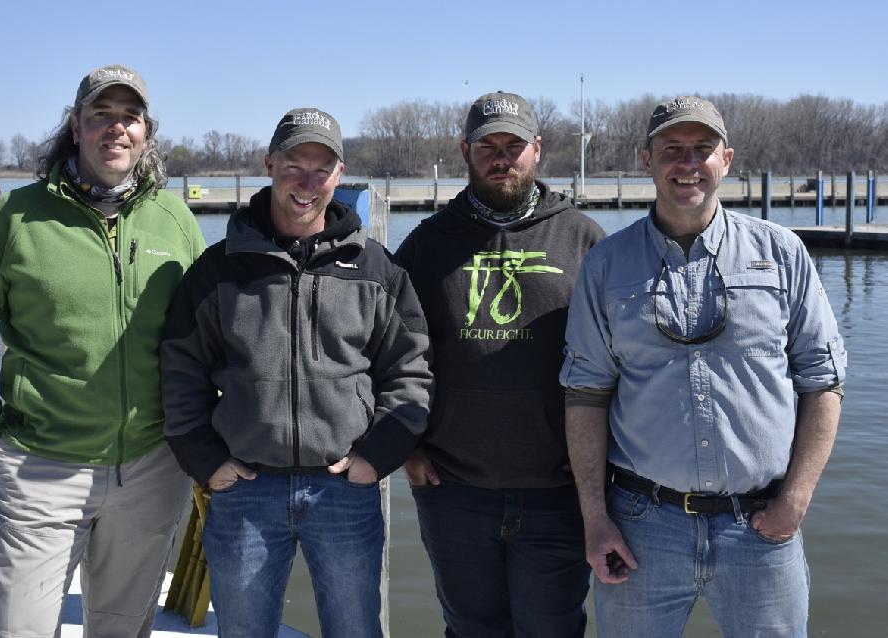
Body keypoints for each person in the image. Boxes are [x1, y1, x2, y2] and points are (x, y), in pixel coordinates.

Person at [562, 96, 847, 637]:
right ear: (646, 160)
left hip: (762, 528)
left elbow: (824, 381)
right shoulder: (605, 264)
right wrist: (595, 519)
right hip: (642, 526)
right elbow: (585, 392)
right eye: (671, 149)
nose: (686, 163)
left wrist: (796, 499)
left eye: (702, 149)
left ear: (727, 159)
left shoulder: (782, 252)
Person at [0, 64, 206, 637]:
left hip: (152, 469)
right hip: (40, 467)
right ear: (76, 128)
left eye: (129, 117)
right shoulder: (17, 219)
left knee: (123, 629)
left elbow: (207, 339)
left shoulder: (176, 219)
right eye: (100, 116)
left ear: (146, 132)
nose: (116, 129)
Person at [160, 107, 433, 637]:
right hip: (245, 490)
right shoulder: (218, 269)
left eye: (322, 169)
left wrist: (375, 457)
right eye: (294, 165)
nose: (307, 184)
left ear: (339, 174)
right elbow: (179, 371)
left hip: (345, 490)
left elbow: (410, 368)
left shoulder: (375, 268)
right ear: (269, 164)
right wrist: (205, 459)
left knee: (356, 630)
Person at [394, 91, 605, 637]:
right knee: (470, 628)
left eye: (514, 145)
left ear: (537, 150)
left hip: (558, 491)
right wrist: (408, 446)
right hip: (453, 491)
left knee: (553, 629)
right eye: (488, 145)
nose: (501, 157)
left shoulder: (584, 240)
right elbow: (390, 356)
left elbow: (618, 366)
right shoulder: (426, 244)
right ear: (465, 150)